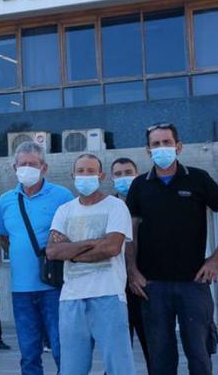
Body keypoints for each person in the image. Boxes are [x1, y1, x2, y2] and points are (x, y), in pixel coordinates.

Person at [126, 122, 218, 375]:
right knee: (160, 361)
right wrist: (132, 271)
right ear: (148, 150)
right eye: (156, 144)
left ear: (179, 146)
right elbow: (130, 234)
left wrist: (217, 259)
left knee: (199, 357)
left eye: (167, 143)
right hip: (152, 287)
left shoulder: (198, 178)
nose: (162, 148)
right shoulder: (140, 185)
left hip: (193, 284)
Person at [46, 154, 134, 375]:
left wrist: (71, 251)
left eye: (91, 171)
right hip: (71, 299)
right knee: (71, 370)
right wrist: (94, 242)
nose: (86, 176)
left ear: (101, 176)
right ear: (72, 175)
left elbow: (111, 248)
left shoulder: (116, 207)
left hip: (109, 296)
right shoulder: (64, 210)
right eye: (81, 171)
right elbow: (53, 251)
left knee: (120, 368)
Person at [0, 141, 69, 374]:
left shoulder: (62, 196)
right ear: (14, 167)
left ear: (44, 167)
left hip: (54, 286)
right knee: (28, 354)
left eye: (33, 164)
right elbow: (4, 238)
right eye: (22, 164)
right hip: (21, 290)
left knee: (61, 349)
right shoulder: (5, 201)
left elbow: (71, 237)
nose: (27, 168)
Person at [109, 157, 149, 365]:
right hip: (115, 287)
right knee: (117, 351)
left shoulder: (149, 203)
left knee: (153, 348)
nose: (124, 178)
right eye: (118, 174)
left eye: (128, 172)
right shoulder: (107, 207)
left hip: (145, 285)